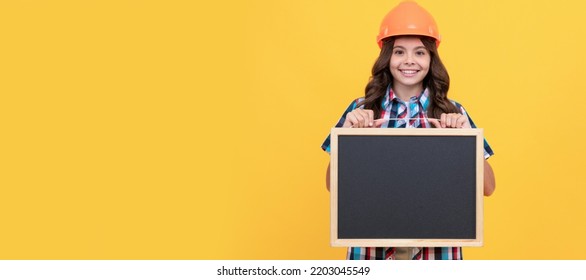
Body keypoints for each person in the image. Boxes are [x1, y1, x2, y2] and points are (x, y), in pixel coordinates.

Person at [321, 1, 496, 260]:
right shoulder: (361, 110)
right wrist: (349, 139)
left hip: (437, 255)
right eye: (400, 52)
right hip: (371, 253)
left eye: (420, 52)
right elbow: (331, 186)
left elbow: (488, 187)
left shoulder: (452, 111)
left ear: (431, 58)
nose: (409, 61)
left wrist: (464, 141)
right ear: (387, 57)